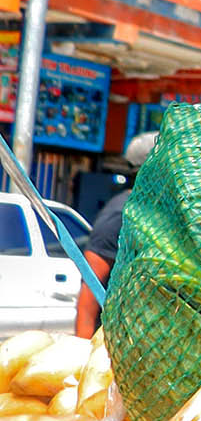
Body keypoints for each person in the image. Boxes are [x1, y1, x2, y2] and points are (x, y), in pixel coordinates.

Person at [76, 131, 157, 337]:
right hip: (111, 341)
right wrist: (84, 352)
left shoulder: (154, 211)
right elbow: (88, 298)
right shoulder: (119, 214)